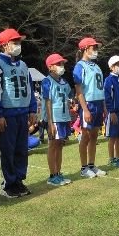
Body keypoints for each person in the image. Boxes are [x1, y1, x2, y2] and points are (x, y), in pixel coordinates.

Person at [0, 28, 37, 198]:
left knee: (21, 149)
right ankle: (8, 184)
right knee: (7, 151)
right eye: (15, 42)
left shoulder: (23, 65)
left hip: (23, 112)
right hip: (7, 114)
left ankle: (19, 181)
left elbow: (30, 88)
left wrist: (32, 109)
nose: (18, 45)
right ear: (4, 45)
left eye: (19, 42)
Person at [73, 37, 108, 178]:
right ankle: (83, 167)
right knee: (86, 136)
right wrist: (85, 109)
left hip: (99, 103)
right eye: (94, 48)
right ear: (86, 49)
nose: (96, 51)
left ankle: (92, 164)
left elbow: (100, 88)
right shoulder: (80, 66)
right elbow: (79, 90)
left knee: (94, 135)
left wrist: (104, 106)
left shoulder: (96, 66)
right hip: (88, 104)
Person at [41, 53, 73, 186]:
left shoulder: (64, 82)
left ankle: (58, 172)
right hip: (54, 119)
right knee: (53, 145)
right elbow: (47, 103)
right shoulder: (47, 81)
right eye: (58, 64)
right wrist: (50, 123)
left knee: (60, 145)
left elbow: (69, 98)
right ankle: (52, 175)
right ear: (50, 67)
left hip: (64, 117)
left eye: (62, 64)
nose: (61, 66)